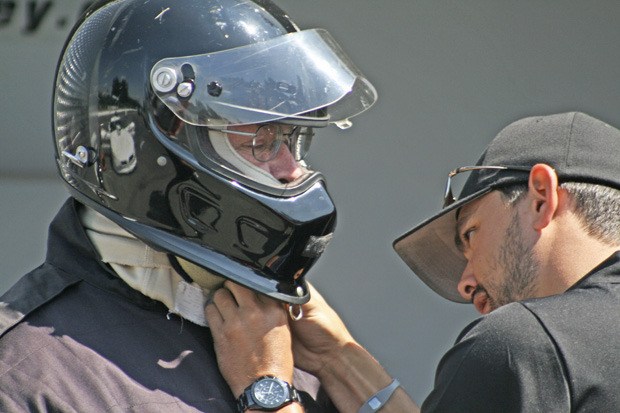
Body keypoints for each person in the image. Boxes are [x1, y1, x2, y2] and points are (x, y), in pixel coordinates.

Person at [0, 0, 377, 411]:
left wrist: (336, 363)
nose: (292, 170)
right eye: (261, 142)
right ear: (156, 147)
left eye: (292, 138)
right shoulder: (28, 376)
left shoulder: (291, 345)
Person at [205, 111, 620, 412]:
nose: (465, 284)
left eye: (470, 234)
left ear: (541, 198)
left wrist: (266, 389)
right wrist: (339, 359)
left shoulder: (527, 346)